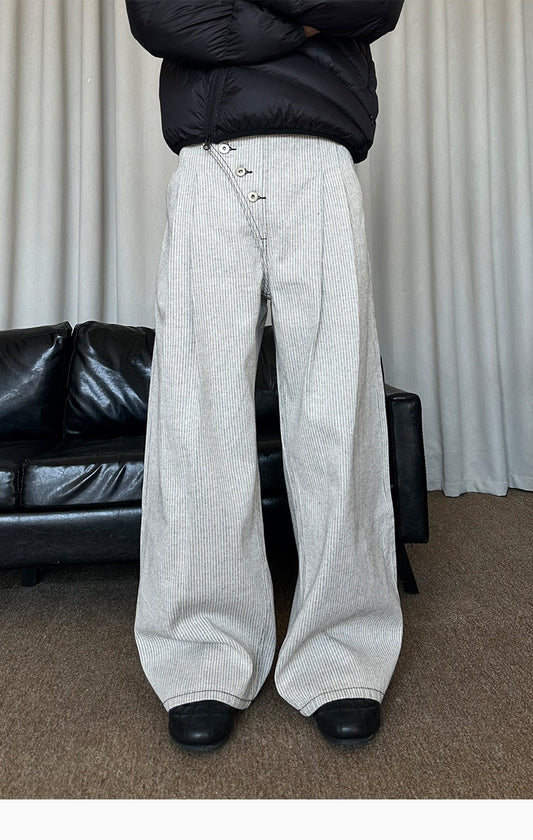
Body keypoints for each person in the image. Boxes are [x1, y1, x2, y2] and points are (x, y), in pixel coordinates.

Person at [125, 0, 406, 753]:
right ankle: (200, 655)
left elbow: (370, 4)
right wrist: (301, 24)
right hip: (209, 160)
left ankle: (343, 652)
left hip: (321, 159)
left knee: (335, 409)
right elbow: (161, 18)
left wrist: (245, 19)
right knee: (197, 417)